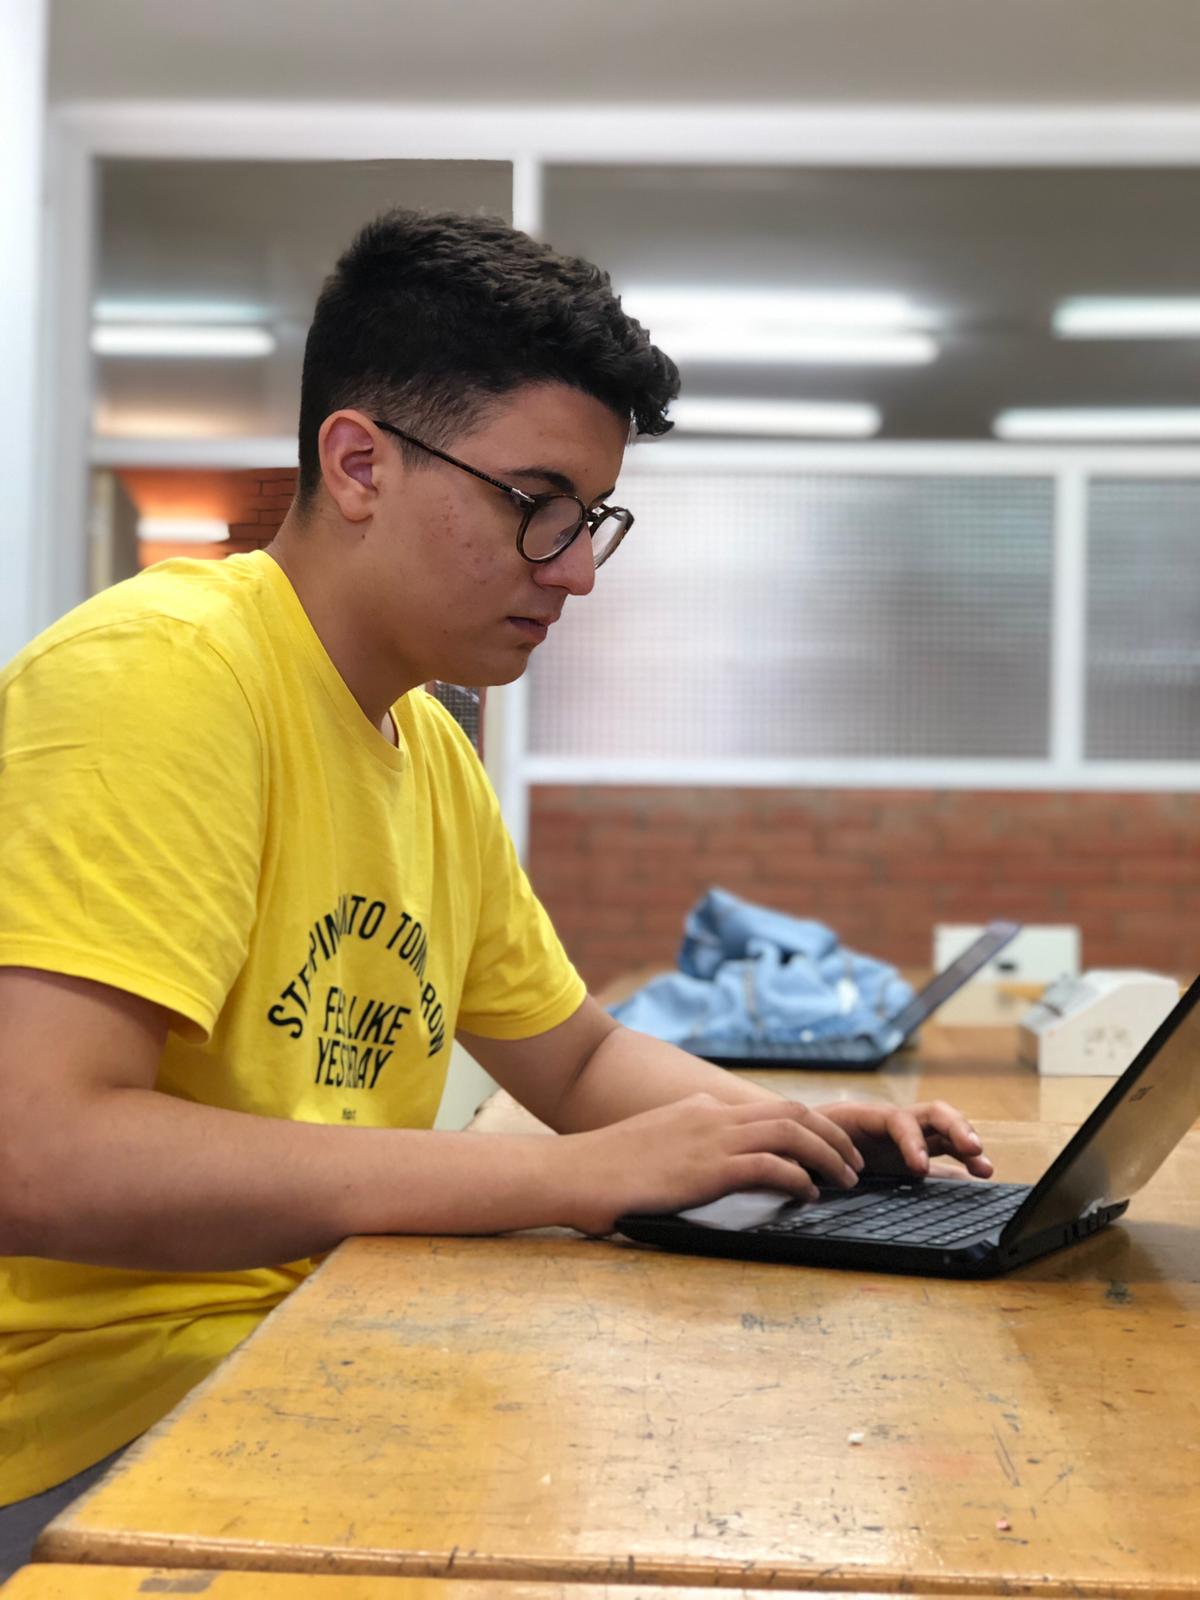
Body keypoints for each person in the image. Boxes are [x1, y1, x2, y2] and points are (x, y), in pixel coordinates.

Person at [0, 209, 992, 1565]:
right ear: (359, 464)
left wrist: (790, 1137)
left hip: (314, 1349)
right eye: (536, 507)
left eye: (593, 522)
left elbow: (574, 1058)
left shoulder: (427, 748)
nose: (574, 571)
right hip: (91, 1439)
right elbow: (37, 1152)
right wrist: (566, 1178)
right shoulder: (163, 680)